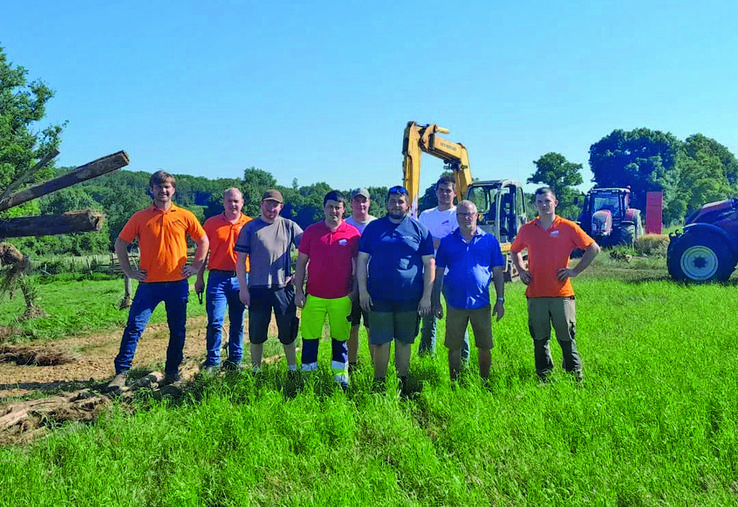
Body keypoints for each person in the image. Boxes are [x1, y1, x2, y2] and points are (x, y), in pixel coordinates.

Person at [109, 170, 208, 389]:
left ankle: (172, 371)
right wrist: (129, 271)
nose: (163, 191)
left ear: (173, 190)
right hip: (149, 285)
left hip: (177, 284)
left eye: (167, 187)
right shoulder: (140, 217)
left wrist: (196, 266)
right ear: (151, 189)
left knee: (178, 329)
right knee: (134, 327)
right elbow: (120, 244)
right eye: (159, 187)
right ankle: (121, 373)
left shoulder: (185, 216)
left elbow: (203, 240)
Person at [510, 187, 601, 381]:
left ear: (555, 203)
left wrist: (574, 271)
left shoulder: (567, 227)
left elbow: (593, 248)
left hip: (561, 294)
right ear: (535, 205)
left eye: (547, 201)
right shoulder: (527, 229)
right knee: (540, 339)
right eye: (540, 202)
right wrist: (522, 271)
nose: (543, 205)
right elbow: (514, 250)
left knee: (567, 338)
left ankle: (575, 377)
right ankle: (544, 377)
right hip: (535, 294)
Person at [357, 185, 435, 389]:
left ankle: (403, 382)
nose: (397, 205)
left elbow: (430, 264)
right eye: (393, 201)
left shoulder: (419, 230)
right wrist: (363, 291)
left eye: (401, 201)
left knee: (404, 340)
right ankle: (379, 383)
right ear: (386, 204)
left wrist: (427, 296)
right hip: (379, 296)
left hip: (409, 297)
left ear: (408, 204)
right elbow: (362, 261)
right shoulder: (374, 228)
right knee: (380, 341)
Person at [432, 200, 505, 381]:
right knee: (454, 346)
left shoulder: (489, 241)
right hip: (455, 303)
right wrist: (436, 301)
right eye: (462, 214)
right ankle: (454, 381)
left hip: (481, 303)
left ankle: (484, 380)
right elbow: (438, 273)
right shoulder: (447, 242)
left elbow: (497, 271)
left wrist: (500, 300)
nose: (466, 218)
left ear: (477, 215)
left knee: (485, 345)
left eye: (470, 214)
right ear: (457, 217)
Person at [294, 190, 361, 388]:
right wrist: (298, 290)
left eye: (338, 207)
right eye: (330, 206)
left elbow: (358, 264)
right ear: (324, 208)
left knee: (340, 339)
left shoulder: (352, 234)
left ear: (343, 209)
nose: (334, 211)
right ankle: (308, 378)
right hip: (314, 296)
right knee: (309, 338)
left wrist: (355, 291)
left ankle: (340, 379)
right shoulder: (312, 231)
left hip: (342, 297)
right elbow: (301, 263)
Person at [234, 189, 303, 373]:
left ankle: (292, 370)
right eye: (268, 203)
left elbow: (308, 250)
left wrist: (299, 276)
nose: (271, 208)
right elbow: (240, 261)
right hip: (257, 288)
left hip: (283, 288)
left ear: (281, 206)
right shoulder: (249, 228)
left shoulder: (289, 226)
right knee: (256, 334)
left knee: (288, 332)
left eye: (275, 204)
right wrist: (243, 288)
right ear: (261, 204)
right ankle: (255, 372)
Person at [195, 188, 252, 373]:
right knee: (215, 321)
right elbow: (202, 253)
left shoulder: (250, 224)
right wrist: (199, 278)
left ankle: (235, 360)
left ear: (242, 203)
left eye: (236, 201)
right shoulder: (211, 224)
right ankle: (212, 361)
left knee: (238, 321)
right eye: (229, 201)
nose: (233, 204)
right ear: (223, 203)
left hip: (242, 278)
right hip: (217, 278)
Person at [418, 175, 469, 360]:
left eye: (448, 190)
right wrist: (439, 242)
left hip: (452, 275)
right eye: (441, 190)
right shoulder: (425, 215)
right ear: (435, 192)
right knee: (428, 320)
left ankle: (463, 361)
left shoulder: (459, 215)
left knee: (457, 320)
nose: (444, 194)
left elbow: (455, 245)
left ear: (455, 193)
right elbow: (419, 242)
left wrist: (432, 241)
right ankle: (425, 359)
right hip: (429, 274)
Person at [344, 188, 376, 371]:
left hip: (373, 281)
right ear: (351, 204)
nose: (361, 205)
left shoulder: (376, 224)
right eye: (357, 201)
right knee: (352, 326)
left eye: (364, 201)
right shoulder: (344, 225)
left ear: (369, 203)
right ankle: (352, 365)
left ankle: (375, 364)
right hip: (349, 281)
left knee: (373, 327)